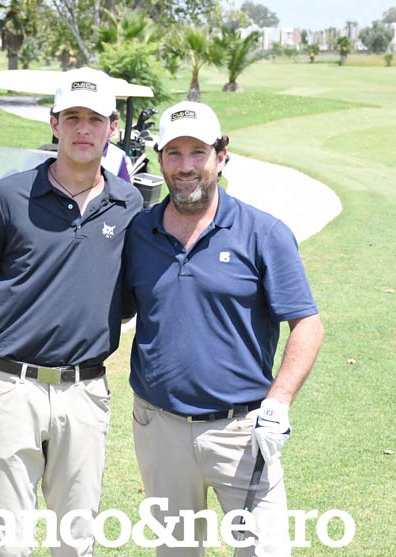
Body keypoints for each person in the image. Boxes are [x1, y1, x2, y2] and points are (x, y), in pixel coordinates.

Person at [0, 67, 143, 557]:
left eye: (95, 119)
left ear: (112, 128)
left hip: (84, 391)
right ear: (54, 123)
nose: (83, 129)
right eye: (72, 117)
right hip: (9, 388)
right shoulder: (9, 197)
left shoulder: (129, 205)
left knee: (76, 541)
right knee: (6, 542)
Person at [122, 101, 324, 557]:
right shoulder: (139, 233)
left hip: (242, 432)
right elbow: (118, 310)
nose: (186, 166)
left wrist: (279, 402)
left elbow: (307, 323)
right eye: (174, 153)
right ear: (160, 159)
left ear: (221, 156)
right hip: (159, 427)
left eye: (198, 152)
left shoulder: (263, 233)